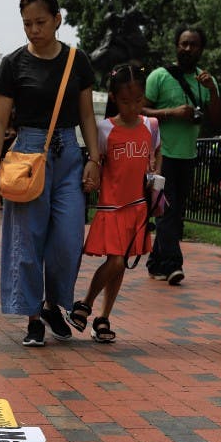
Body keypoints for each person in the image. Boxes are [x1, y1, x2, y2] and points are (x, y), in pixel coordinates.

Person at [0, 0, 100, 346]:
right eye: (27, 23)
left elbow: (86, 115)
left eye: (41, 22)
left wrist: (94, 158)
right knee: (27, 242)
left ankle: (52, 304)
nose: (34, 29)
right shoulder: (13, 64)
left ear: (57, 19)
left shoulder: (76, 60)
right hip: (28, 154)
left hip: (68, 155)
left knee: (67, 240)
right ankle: (34, 317)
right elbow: (0, 122)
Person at [72, 64, 161, 342]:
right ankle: (85, 303)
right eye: (125, 101)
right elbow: (96, 163)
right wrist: (91, 179)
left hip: (137, 206)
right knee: (118, 261)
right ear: (113, 97)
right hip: (111, 206)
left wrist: (155, 175)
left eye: (138, 100)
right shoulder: (104, 129)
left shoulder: (151, 125)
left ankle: (103, 317)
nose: (133, 107)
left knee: (119, 265)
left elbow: (158, 153)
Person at [143, 24, 221, 285]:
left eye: (193, 45)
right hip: (161, 156)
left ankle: (156, 262)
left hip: (188, 156)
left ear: (201, 49)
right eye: (184, 43)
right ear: (176, 45)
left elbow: (218, 120)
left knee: (175, 212)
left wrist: (211, 90)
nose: (188, 49)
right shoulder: (159, 76)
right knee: (166, 211)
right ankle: (173, 264)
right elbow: (140, 110)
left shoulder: (205, 80)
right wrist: (171, 113)